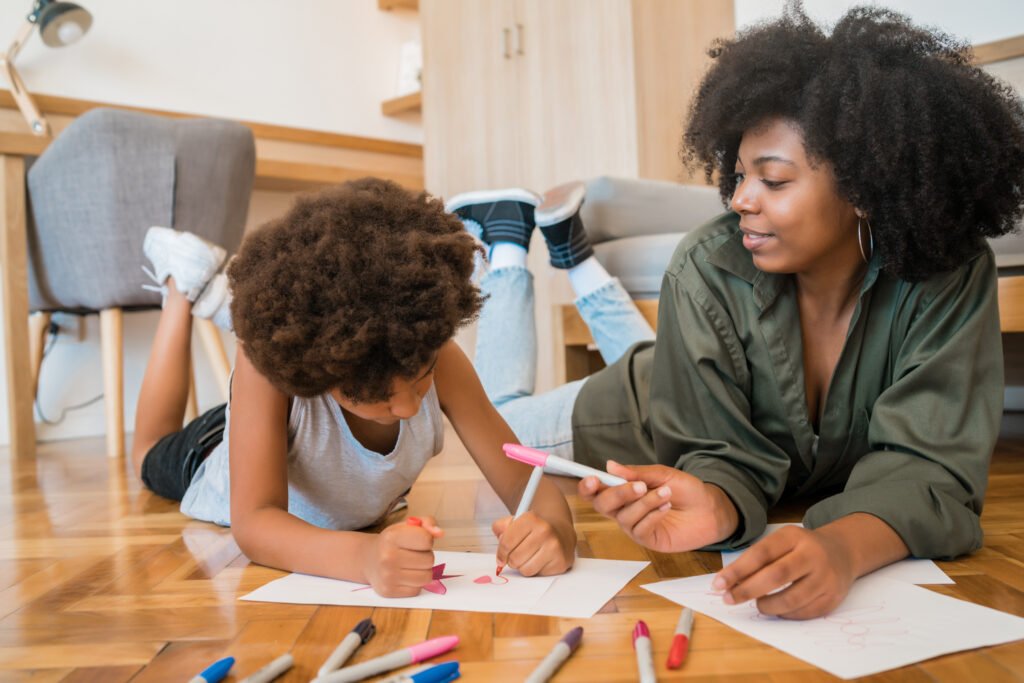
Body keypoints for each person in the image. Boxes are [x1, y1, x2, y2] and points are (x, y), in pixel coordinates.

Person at [447, 3, 1024, 620]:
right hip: (640, 414)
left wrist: (842, 548)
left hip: (694, 364)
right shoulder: (707, 262)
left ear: (863, 188)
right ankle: (509, 247)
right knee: (496, 425)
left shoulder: (948, 274)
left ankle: (576, 259)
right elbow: (716, 453)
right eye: (741, 173)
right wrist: (718, 502)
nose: (741, 198)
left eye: (773, 181)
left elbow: (933, 469)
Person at [130, 178, 577, 598]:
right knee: (146, 453)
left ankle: (214, 300)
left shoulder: (438, 356)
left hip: (288, 431)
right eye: (377, 397)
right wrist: (364, 558)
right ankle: (179, 290)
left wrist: (554, 530)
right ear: (316, 373)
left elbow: (526, 480)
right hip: (212, 456)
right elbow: (256, 524)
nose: (405, 408)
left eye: (420, 382)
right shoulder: (266, 374)